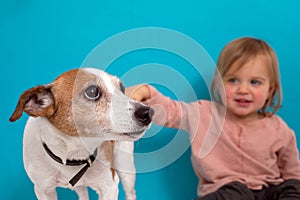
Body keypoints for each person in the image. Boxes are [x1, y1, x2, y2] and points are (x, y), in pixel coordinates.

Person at [125, 37, 300, 199]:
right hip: (227, 192)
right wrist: (146, 92)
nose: (243, 90)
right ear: (220, 83)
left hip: (268, 191)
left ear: (270, 90)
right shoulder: (204, 114)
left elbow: (293, 173)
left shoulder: (279, 128)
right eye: (233, 80)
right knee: (234, 193)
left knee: (293, 187)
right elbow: (171, 111)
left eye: (255, 82)